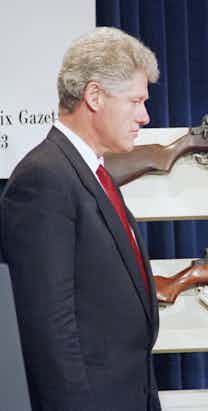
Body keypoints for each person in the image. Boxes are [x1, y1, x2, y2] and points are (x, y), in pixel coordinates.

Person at [0, 27, 161, 410]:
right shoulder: (45, 177)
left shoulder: (91, 172)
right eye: (136, 101)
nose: (145, 116)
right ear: (94, 96)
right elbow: (49, 329)